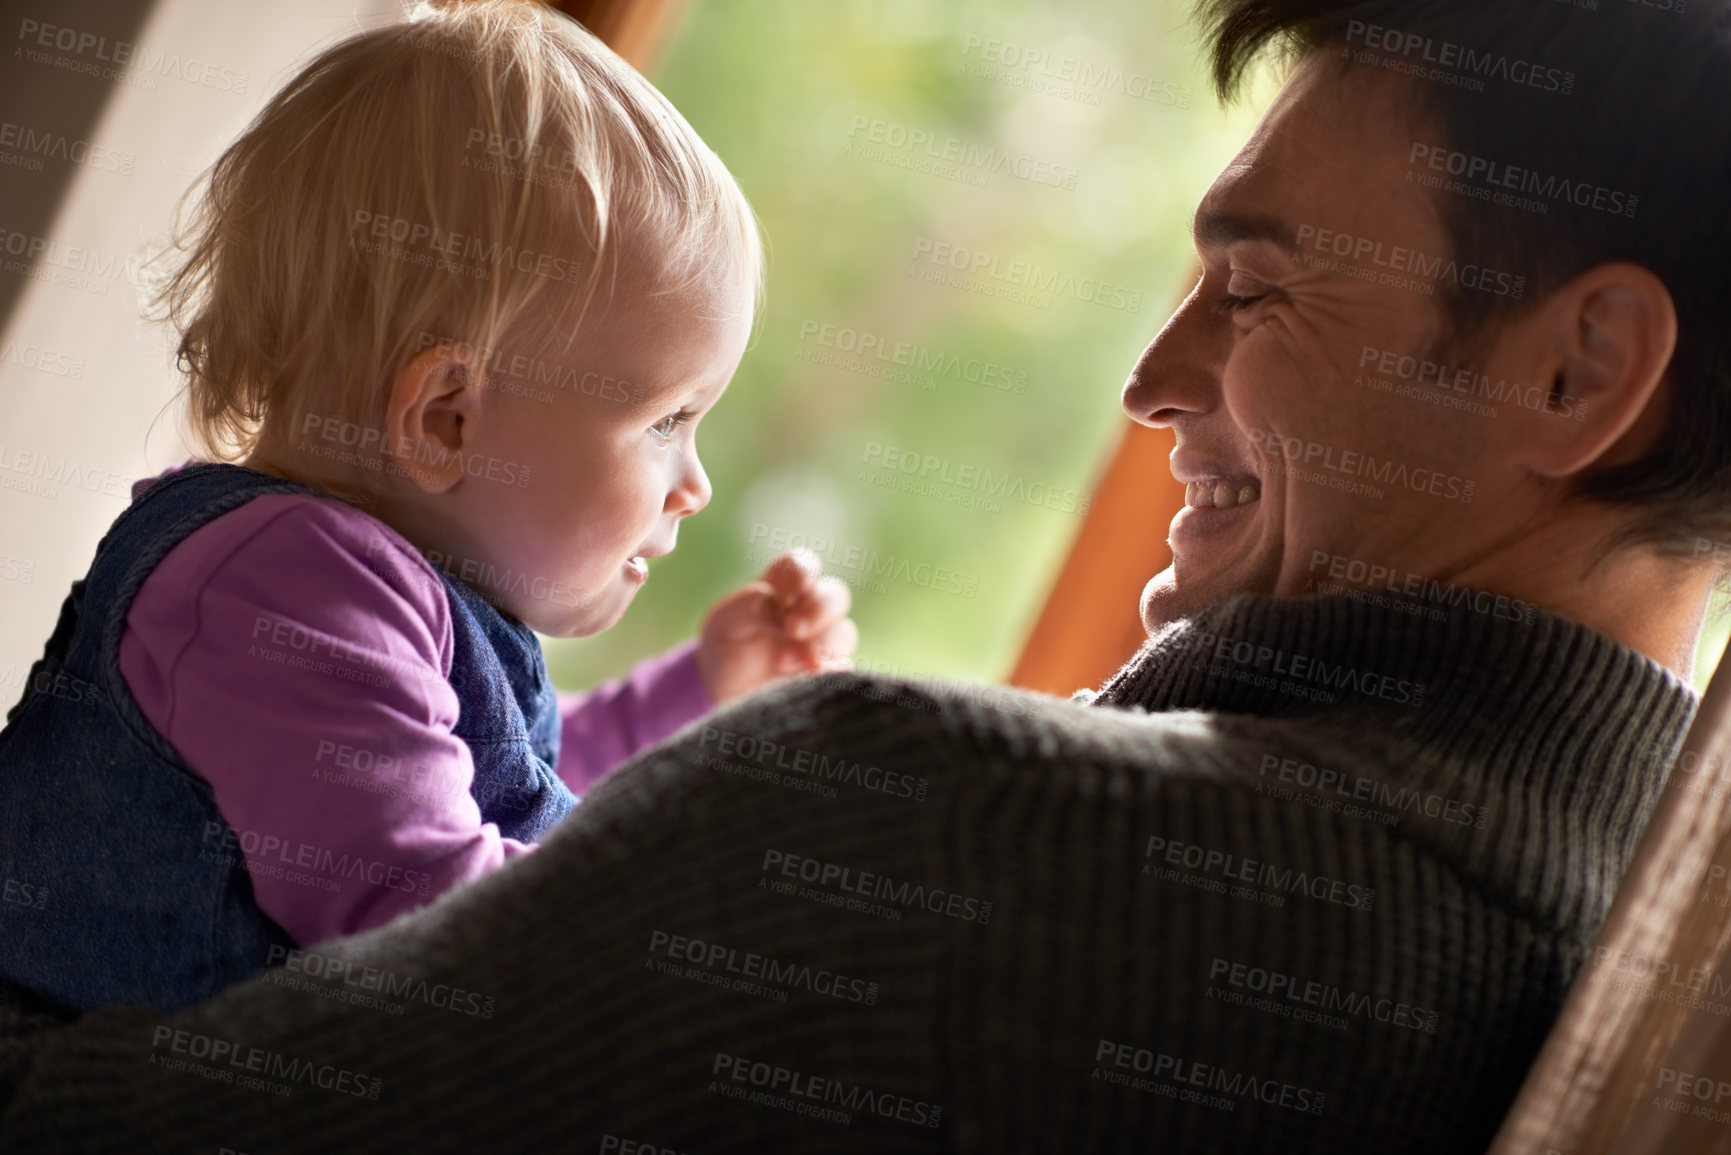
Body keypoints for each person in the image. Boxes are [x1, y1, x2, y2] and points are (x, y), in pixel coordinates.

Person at [3, 0, 1729, 1151]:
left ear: (1576, 373)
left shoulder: (941, 829)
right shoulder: (1593, 968)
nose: (1149, 379)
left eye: (1258, 291)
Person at [0, 0, 855, 1016]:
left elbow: (489, 780)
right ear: (446, 419)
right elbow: (422, 912)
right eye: (667, 420)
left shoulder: (367, 591)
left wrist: (698, 693)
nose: (696, 481)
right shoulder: (279, 584)